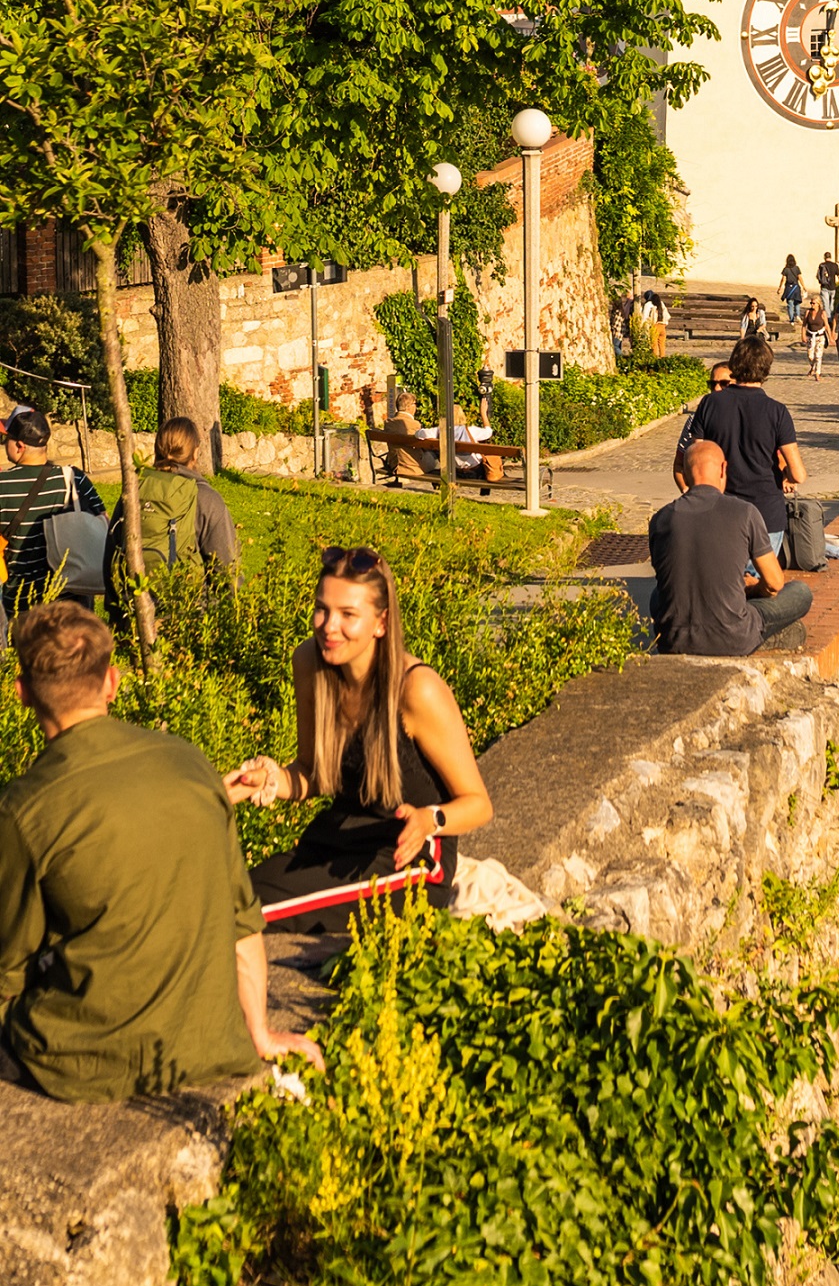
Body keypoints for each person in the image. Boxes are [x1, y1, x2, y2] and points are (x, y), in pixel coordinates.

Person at [0, 598, 294, 1099]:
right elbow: (243, 922)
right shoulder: (189, 761)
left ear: (22, 693)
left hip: (83, 1063)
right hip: (209, 1046)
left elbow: (8, 965)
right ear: (112, 682)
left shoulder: (24, 808)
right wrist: (260, 1034)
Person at [222, 543, 490, 890]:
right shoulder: (310, 663)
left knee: (247, 909)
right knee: (233, 892)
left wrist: (429, 819)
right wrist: (269, 781)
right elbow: (312, 773)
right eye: (322, 610)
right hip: (341, 836)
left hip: (410, 858)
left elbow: (479, 804)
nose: (329, 627)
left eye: (348, 615)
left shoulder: (416, 689)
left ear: (381, 623)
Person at [643, 435, 793, 662]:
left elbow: (667, 580)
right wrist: (751, 589)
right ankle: (763, 635)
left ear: (684, 473)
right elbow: (774, 583)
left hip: (674, 641)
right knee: (800, 593)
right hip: (734, 637)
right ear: (723, 469)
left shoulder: (661, 519)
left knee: (657, 595)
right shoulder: (745, 512)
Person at [696, 338, 806, 565]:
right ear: (766, 368)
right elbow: (798, 474)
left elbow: (695, 456)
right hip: (765, 513)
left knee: (725, 579)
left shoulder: (710, 403)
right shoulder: (777, 411)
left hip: (721, 507)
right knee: (756, 584)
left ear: (735, 364)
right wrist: (785, 474)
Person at [126, 419, 242, 598]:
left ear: (157, 450)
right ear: (195, 453)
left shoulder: (134, 491)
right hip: (186, 613)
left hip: (132, 607)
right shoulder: (206, 499)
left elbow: (111, 552)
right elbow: (227, 570)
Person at [0, 413, 95, 614]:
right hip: (71, 597)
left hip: (21, 600)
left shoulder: (2, 485)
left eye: (5, 439)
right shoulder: (73, 477)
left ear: (19, 446)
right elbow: (101, 520)